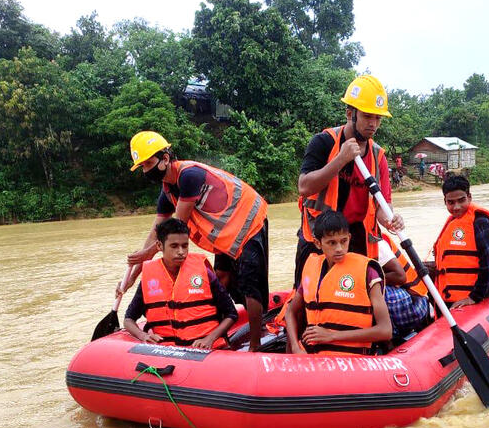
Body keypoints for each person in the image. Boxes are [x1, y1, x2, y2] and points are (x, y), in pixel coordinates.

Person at [125, 131, 269, 351]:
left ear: (165, 158)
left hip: (248, 222)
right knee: (221, 277)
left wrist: (148, 255)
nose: (146, 171)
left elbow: (176, 228)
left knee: (250, 283)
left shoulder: (189, 176)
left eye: (148, 163)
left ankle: (256, 344)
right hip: (225, 234)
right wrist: (134, 274)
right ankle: (218, 332)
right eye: (142, 167)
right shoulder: (167, 193)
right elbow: (156, 232)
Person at [294, 74, 404, 287]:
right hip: (319, 237)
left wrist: (391, 219)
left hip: (355, 238)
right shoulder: (323, 142)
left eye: (378, 118)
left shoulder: (378, 156)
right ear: (350, 113)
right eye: (367, 116)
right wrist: (340, 159)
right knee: (308, 295)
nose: (373, 124)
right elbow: (304, 187)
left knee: (355, 293)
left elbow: (382, 206)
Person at [283, 210, 392, 355]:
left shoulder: (367, 272)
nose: (339, 248)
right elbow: (290, 311)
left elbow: (385, 330)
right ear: (317, 243)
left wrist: (331, 336)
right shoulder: (311, 268)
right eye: (331, 243)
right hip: (313, 359)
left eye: (343, 241)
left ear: (349, 238)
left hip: (353, 361)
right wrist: (296, 348)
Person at [123, 219, 238, 349]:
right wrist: (143, 336)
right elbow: (128, 319)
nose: (181, 251)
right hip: (167, 350)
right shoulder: (149, 278)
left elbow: (231, 314)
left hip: (205, 349)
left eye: (185, 245)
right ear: (159, 246)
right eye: (174, 246)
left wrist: (209, 339)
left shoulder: (205, 273)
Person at [433, 174, 489, 308]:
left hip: (475, 294)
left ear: (469, 197)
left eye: (461, 200)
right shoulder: (454, 221)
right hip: (452, 293)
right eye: (451, 202)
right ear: (445, 201)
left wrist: (474, 297)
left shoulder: (480, 222)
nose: (456, 207)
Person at [378, 233, 430, 338]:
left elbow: (400, 276)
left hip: (415, 301)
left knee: (373, 290)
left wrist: (369, 278)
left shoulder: (377, 243)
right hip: (401, 294)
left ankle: (392, 337)